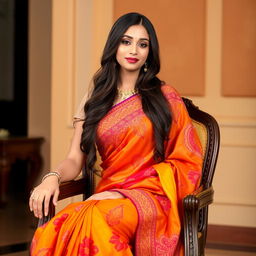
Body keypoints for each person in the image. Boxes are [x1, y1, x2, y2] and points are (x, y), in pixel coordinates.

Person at [29, 12, 202, 256]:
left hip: (151, 199)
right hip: (107, 195)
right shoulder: (95, 98)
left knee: (98, 218)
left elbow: (188, 161)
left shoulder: (165, 97)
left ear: (149, 53)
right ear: (114, 46)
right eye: (126, 41)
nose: (134, 50)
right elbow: (74, 160)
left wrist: (123, 192)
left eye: (143, 44)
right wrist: (53, 177)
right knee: (65, 223)